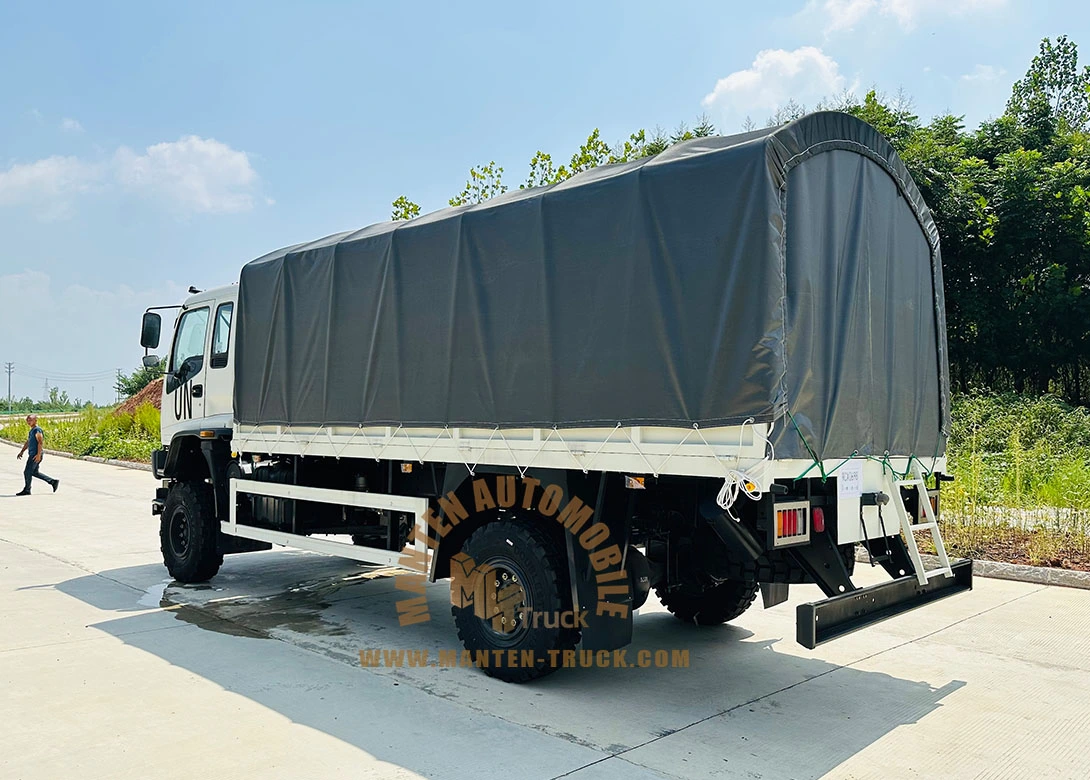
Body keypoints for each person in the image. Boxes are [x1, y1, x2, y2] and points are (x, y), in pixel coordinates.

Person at [16, 414, 60, 496]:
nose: (28, 421)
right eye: (27, 420)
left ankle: (27, 490)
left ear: (35, 421)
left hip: (35, 455)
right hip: (33, 454)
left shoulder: (37, 430)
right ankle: (52, 481)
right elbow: (28, 442)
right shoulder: (32, 430)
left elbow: (40, 442)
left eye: (30, 420)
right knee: (34, 472)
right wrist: (22, 451)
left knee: (27, 472)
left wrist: (38, 455)